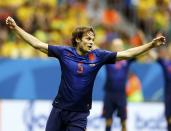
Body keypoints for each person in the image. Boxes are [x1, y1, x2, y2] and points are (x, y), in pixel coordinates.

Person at [6, 16, 166, 131]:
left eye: (93, 39)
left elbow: (127, 54)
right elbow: (37, 44)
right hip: (59, 110)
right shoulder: (64, 52)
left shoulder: (99, 56)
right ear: (77, 40)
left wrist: (151, 45)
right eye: (88, 38)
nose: (91, 42)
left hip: (80, 114)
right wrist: (16, 28)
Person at [102, 38, 135, 131]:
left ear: (123, 47)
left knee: (123, 122)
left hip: (121, 95)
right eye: (115, 46)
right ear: (112, 47)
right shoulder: (107, 58)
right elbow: (96, 51)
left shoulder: (127, 59)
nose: (117, 47)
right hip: (109, 94)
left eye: (119, 45)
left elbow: (138, 53)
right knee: (108, 121)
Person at [150, 45, 171, 131]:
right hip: (168, 96)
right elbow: (153, 55)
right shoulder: (166, 63)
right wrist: (151, 45)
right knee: (168, 119)